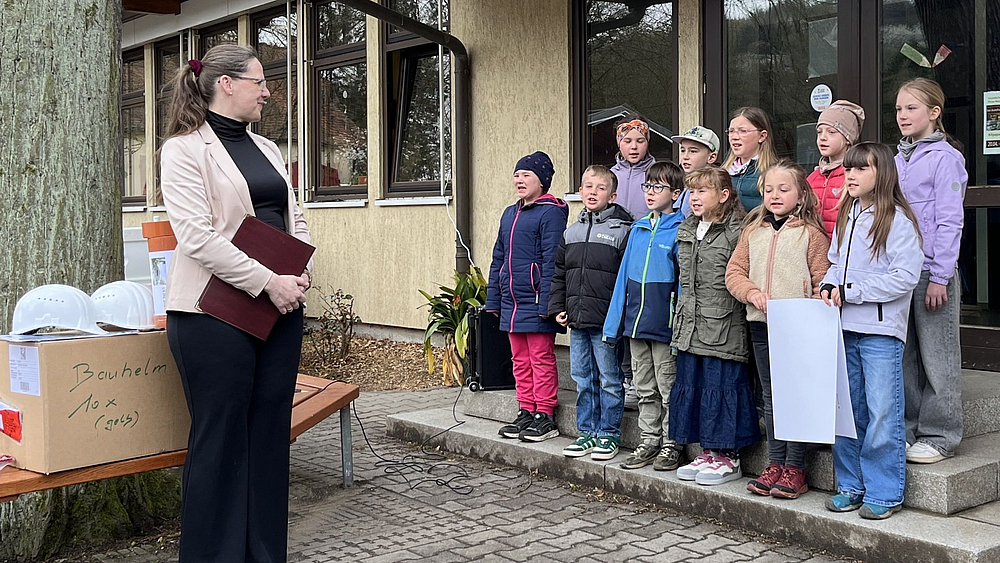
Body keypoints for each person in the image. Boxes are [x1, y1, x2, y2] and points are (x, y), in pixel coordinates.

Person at [159, 45, 312, 563]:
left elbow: (295, 215)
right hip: (211, 317)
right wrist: (269, 280)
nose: (267, 91)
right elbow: (196, 237)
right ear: (226, 84)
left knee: (269, 439)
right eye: (259, 81)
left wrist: (300, 267)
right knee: (220, 444)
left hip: (281, 310)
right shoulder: (183, 150)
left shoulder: (267, 149)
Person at [820, 142, 923, 520]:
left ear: (882, 174)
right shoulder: (847, 214)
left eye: (861, 169)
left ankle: (883, 491)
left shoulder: (897, 220)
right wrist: (829, 285)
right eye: (848, 169)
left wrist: (853, 292)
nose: (850, 175)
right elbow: (835, 262)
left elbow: (905, 277)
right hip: (843, 327)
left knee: (882, 411)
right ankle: (851, 485)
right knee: (848, 411)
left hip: (880, 332)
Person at [726, 160, 831, 499]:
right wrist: (752, 293)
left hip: (798, 327)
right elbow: (735, 273)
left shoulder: (811, 235)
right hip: (761, 325)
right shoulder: (752, 231)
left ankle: (795, 467)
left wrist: (810, 311)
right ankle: (775, 462)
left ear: (801, 195)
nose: (774, 195)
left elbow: (823, 279)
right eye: (768, 189)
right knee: (772, 396)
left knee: (795, 395)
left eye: (783, 189)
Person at [670, 167, 760, 485]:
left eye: (702, 191)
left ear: (723, 195)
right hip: (690, 325)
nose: (694, 198)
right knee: (694, 385)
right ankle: (708, 452)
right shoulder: (686, 229)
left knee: (721, 385)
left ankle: (728, 456)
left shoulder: (738, 230)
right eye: (691, 192)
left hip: (724, 327)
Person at [894, 78, 968, 464]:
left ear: (934, 113)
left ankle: (941, 435)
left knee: (938, 356)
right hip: (898, 273)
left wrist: (940, 275)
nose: (903, 115)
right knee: (904, 354)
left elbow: (950, 220)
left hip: (930, 274)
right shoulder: (896, 159)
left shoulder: (946, 158)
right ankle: (906, 429)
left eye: (912, 108)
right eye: (899, 109)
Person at [603, 162, 686, 471]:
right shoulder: (638, 229)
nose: (650, 192)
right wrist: (614, 326)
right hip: (635, 326)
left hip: (664, 328)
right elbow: (623, 279)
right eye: (647, 186)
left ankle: (670, 443)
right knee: (645, 388)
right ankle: (648, 440)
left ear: (676, 194)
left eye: (658, 187)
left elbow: (683, 285)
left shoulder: (681, 230)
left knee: (667, 388)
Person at [551, 165, 634, 461]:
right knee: (583, 379)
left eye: (600, 188)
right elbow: (559, 273)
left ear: (612, 195)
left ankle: (609, 434)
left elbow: (626, 280)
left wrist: (620, 317)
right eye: (587, 186)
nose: (592, 192)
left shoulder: (623, 231)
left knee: (610, 379)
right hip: (577, 319)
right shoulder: (571, 231)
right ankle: (587, 432)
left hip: (605, 323)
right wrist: (558, 307)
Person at [487, 151, 569, 443]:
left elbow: (552, 261)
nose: (520, 180)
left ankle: (544, 413)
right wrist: (493, 299)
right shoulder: (510, 213)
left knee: (540, 358)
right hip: (511, 302)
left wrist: (550, 303)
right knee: (519, 359)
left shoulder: (551, 213)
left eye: (527, 175)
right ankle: (526, 408)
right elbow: (499, 257)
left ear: (542, 181)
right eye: (517, 174)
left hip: (536, 302)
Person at [611, 119, 655, 411]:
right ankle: (619, 377)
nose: (634, 147)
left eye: (640, 141)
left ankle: (636, 379)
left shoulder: (655, 172)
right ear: (619, 143)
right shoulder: (610, 174)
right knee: (616, 311)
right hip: (612, 247)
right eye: (628, 141)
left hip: (643, 246)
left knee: (637, 311)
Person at [808, 100, 867, 239]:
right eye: (819, 132)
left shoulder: (854, 176)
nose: (822, 137)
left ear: (848, 138)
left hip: (844, 253)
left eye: (831, 132)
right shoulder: (812, 178)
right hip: (816, 254)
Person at [722, 107, 778, 213]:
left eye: (743, 131)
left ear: (762, 136)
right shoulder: (723, 172)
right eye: (731, 131)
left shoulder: (773, 172)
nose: (734, 137)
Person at [672, 125, 722, 217]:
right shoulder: (680, 181)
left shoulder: (715, 186)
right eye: (683, 150)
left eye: (693, 151)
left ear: (711, 157)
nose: (685, 156)